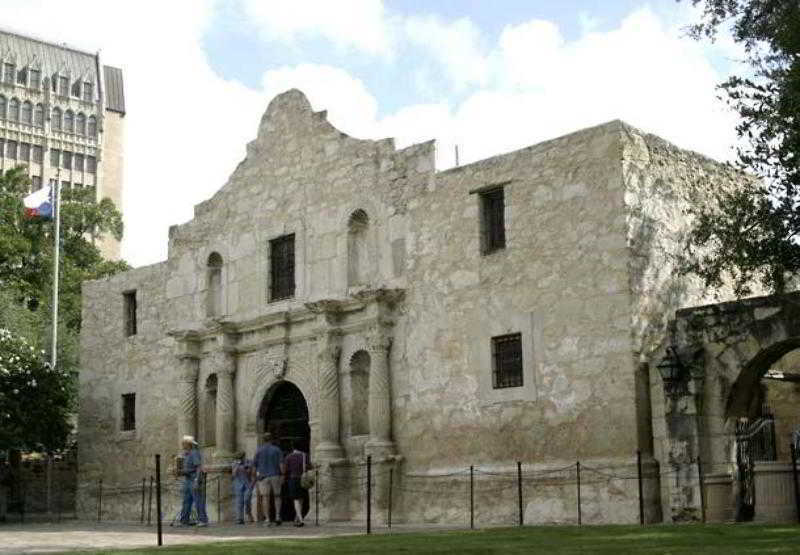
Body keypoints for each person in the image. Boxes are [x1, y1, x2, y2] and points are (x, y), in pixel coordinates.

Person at [253, 432, 284, 525]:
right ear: (271, 439)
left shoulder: (258, 451)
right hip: (275, 475)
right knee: (277, 496)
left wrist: (254, 477)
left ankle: (267, 518)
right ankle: (278, 516)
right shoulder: (277, 450)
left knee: (265, 498)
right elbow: (281, 464)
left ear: (263, 440)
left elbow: (254, 466)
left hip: (263, 477)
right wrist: (283, 475)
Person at [178, 435, 209, 527]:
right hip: (187, 479)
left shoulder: (194, 453)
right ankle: (184, 520)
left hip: (194, 479)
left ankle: (203, 520)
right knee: (186, 500)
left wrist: (197, 480)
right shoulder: (185, 455)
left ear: (188, 444)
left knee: (198, 500)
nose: (182, 444)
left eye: (184, 443)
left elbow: (199, 467)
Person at [283, 441, 309, 527]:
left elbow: (286, 469)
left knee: (296, 499)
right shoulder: (305, 456)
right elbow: (309, 466)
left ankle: (300, 519)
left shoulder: (289, 457)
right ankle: (298, 517)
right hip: (303, 479)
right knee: (301, 499)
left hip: (293, 479)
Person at [231, 451, 254, 524]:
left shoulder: (248, 462)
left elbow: (250, 472)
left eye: (241, 457)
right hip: (238, 484)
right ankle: (240, 518)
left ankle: (249, 514)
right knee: (239, 501)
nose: (240, 459)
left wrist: (246, 467)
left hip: (247, 484)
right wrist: (237, 466)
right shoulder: (234, 463)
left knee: (247, 500)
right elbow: (234, 474)